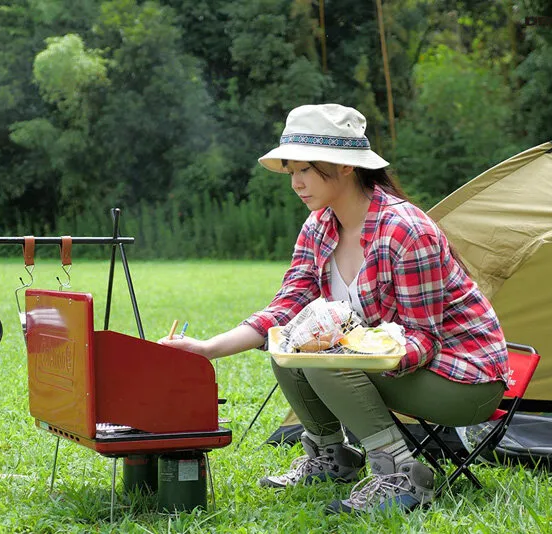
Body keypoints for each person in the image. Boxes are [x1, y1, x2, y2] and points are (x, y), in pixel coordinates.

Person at [159, 103, 509, 515]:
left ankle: (400, 475)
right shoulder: (319, 225)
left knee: (324, 356)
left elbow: (424, 339)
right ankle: (332, 458)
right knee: (288, 342)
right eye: (291, 172)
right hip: (408, 367)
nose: (295, 183)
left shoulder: (406, 230)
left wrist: (351, 351)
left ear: (345, 167)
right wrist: (208, 348)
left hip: (464, 380)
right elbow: (287, 307)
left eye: (305, 170)